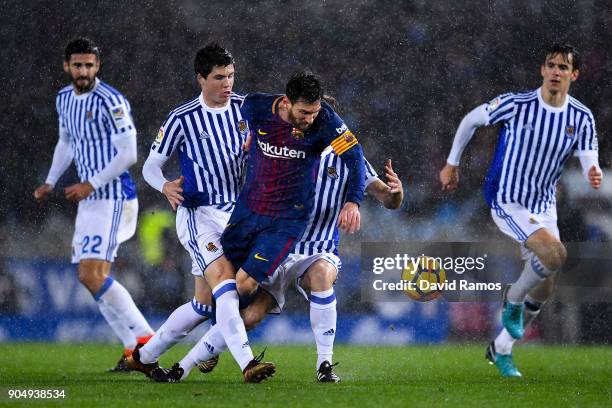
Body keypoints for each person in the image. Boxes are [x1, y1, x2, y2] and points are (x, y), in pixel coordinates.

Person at [439, 44, 602, 377]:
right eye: (551, 65)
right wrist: (452, 163)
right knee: (555, 255)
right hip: (507, 199)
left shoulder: (581, 116)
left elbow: (588, 155)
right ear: (542, 70)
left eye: (563, 67)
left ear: (574, 74)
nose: (556, 72)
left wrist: (592, 171)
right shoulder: (517, 104)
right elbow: (473, 119)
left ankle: (501, 349)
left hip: (544, 206)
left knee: (545, 285)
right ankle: (512, 300)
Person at [198, 72, 366, 383]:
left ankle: (325, 365)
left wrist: (355, 202)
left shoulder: (331, 132)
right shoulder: (262, 110)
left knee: (320, 277)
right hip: (272, 230)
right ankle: (212, 345)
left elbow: (364, 170)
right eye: (305, 113)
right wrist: (247, 135)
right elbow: (236, 117)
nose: (311, 120)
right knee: (247, 307)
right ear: (287, 104)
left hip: (314, 247)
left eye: (317, 114)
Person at [33, 38, 154, 370]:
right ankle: (133, 348)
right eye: (77, 65)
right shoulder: (64, 99)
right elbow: (67, 141)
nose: (83, 71)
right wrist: (50, 180)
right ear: (66, 66)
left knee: (92, 273)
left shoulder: (111, 101)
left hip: (113, 196)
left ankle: (146, 342)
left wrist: (91, 183)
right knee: (89, 277)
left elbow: (129, 153)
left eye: (89, 65)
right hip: (90, 200)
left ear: (97, 66)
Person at [127, 43, 245, 378]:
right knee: (229, 285)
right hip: (199, 214)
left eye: (231, 76)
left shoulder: (245, 110)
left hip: (235, 214)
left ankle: (145, 356)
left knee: (203, 304)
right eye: (220, 77)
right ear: (201, 79)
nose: (228, 84)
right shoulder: (183, 118)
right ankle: (243, 360)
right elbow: (152, 165)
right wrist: (164, 185)